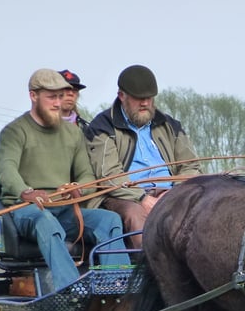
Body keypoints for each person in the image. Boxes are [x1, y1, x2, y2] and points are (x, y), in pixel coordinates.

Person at [0, 68, 131, 291]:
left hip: (64, 209)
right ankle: (71, 289)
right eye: (51, 96)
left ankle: (117, 286)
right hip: (25, 210)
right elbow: (6, 170)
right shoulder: (14, 132)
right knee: (45, 220)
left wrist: (79, 189)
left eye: (60, 96)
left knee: (109, 220)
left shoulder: (73, 133)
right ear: (33, 96)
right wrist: (27, 191)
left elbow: (86, 174)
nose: (58, 103)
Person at [85, 64, 201, 248]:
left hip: (169, 192)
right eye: (138, 99)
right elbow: (109, 175)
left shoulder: (170, 124)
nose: (145, 103)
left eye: (149, 98)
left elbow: (191, 166)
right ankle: (148, 271)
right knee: (135, 215)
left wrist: (176, 194)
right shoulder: (103, 127)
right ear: (121, 96)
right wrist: (143, 198)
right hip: (125, 196)